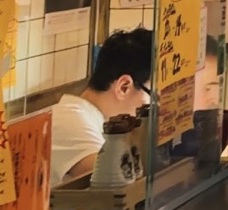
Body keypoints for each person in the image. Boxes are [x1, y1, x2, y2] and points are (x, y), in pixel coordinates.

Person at [50, 26, 153, 188]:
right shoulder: (71, 122)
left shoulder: (95, 119)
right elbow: (113, 184)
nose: (156, 106)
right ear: (123, 87)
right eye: (154, 96)